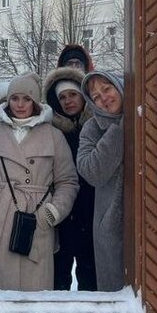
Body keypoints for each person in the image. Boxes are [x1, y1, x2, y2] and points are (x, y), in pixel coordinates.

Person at [78, 70, 157, 313]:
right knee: (121, 309)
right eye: (96, 96)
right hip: (114, 227)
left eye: (107, 89)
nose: (104, 98)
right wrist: (122, 128)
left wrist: (151, 127)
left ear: (120, 87)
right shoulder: (92, 129)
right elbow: (92, 172)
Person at [0, 73, 79, 291]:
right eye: (15, 98)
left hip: (37, 219)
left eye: (26, 99)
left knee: (34, 292)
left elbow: (67, 181)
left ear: (35, 102)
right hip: (0, 217)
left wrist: (54, 212)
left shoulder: (54, 136)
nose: (20, 104)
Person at [43, 65, 96, 291]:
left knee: (90, 275)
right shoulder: (51, 132)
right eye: (62, 97)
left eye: (73, 94)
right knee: (58, 276)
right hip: (61, 213)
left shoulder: (96, 126)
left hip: (92, 211)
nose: (68, 101)